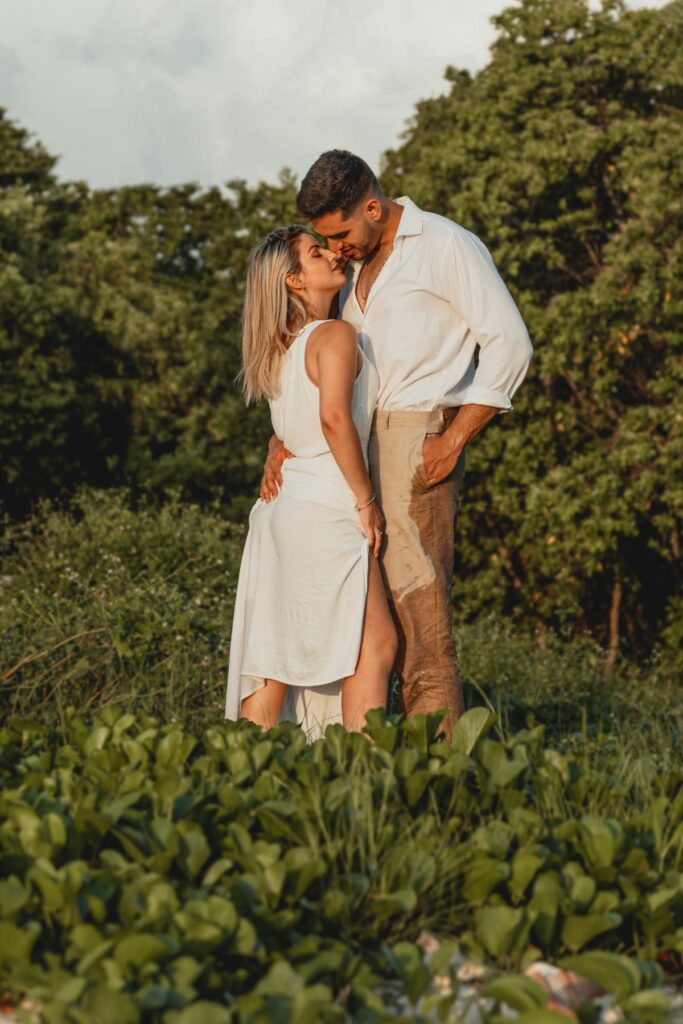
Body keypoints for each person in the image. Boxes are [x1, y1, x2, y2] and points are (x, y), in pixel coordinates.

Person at [262, 151, 533, 742]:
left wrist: (455, 437)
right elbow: (322, 373)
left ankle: (441, 773)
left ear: (373, 207)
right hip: (354, 451)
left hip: (417, 440)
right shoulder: (357, 267)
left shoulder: (444, 245)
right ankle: (372, 760)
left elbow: (511, 343)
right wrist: (283, 440)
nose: (336, 249)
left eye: (340, 234)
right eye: (325, 242)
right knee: (366, 624)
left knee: (420, 614)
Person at [224, 224, 396, 738]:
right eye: (317, 254)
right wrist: (366, 501)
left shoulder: (280, 348)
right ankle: (363, 766)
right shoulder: (335, 335)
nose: (333, 257)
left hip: (282, 510)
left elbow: (289, 429)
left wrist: (275, 448)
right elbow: (334, 420)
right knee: (376, 644)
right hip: (326, 506)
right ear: (295, 281)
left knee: (275, 652)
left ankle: (238, 768)